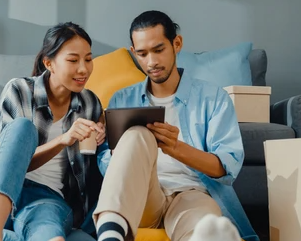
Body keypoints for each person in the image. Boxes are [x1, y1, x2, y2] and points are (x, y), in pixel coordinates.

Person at [93, 10, 259, 241]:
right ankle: (110, 235)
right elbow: (106, 164)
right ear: (134, 53)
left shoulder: (213, 98)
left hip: (191, 195)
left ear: (176, 43)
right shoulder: (121, 100)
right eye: (142, 54)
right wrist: (118, 150)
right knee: (136, 135)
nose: (151, 62)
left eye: (159, 50)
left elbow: (225, 168)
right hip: (143, 196)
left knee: (205, 231)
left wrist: (175, 148)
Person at [0, 22, 106, 241]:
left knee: (53, 237)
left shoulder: (90, 104)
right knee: (23, 128)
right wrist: (63, 140)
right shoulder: (19, 91)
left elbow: (95, 165)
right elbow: (8, 164)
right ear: (49, 63)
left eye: (88, 59)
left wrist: (102, 137)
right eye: (73, 60)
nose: (84, 69)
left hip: (46, 200)